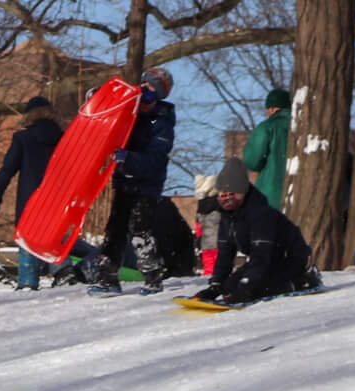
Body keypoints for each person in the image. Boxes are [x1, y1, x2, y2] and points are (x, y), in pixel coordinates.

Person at [93, 67, 176, 294]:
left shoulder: (162, 122)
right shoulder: (131, 111)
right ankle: (107, 277)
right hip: (124, 181)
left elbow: (157, 158)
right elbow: (108, 112)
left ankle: (152, 277)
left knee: (139, 229)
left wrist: (129, 158)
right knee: (115, 228)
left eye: (151, 88)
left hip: (147, 184)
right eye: (144, 85)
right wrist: (96, 98)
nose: (145, 90)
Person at [192, 157, 320, 304]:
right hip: (268, 259)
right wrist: (216, 286)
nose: (226, 200)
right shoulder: (227, 217)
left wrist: (246, 286)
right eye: (222, 195)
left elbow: (261, 255)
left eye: (231, 195)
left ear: (243, 192)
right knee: (229, 288)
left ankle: (303, 281)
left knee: (257, 289)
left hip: (289, 257)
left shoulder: (260, 213)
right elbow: (225, 254)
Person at [0, 94, 63, 289]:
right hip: (58, 196)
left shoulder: (23, 138)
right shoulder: (64, 138)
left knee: (28, 236)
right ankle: (63, 271)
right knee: (57, 233)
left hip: (30, 198)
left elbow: (8, 169)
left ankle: (28, 279)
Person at [242, 86, 292, 213]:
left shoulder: (267, 127)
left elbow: (251, 161)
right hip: (298, 196)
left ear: (271, 109)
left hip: (270, 197)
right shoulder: (303, 127)